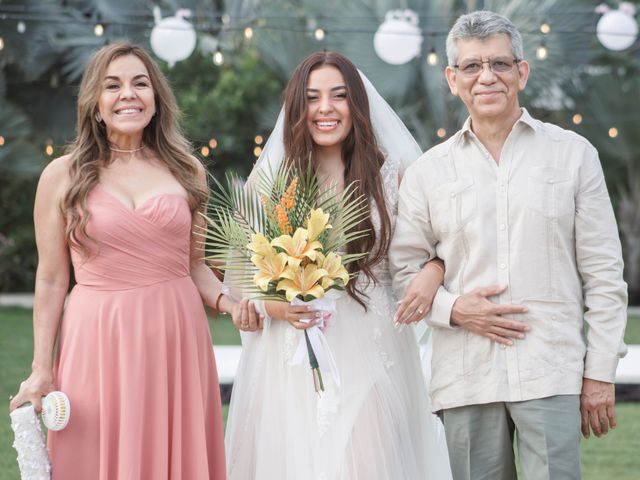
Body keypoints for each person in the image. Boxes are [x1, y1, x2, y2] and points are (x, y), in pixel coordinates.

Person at [390, 10, 628, 480]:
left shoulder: (574, 155)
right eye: (472, 66)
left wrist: (599, 372)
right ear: (453, 79)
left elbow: (603, 274)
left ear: (521, 72)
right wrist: (456, 309)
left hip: (550, 366)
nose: (487, 77)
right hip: (465, 374)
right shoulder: (426, 174)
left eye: (499, 64)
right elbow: (403, 273)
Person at [9, 43, 232, 479]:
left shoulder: (188, 170)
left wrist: (230, 303)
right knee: (94, 452)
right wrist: (41, 368)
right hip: (97, 338)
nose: (127, 94)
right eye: (112, 85)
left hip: (176, 336)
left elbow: (195, 265)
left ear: (156, 99)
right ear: (94, 103)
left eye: (140, 83)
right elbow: (52, 280)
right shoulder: (61, 175)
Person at [225, 51, 452, 479]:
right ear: (297, 108)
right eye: (312, 97)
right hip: (289, 356)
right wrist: (276, 306)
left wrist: (433, 270)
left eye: (339, 95)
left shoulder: (394, 175)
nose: (325, 108)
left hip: (373, 349)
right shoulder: (272, 181)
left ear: (358, 105)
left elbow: (441, 246)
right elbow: (243, 280)